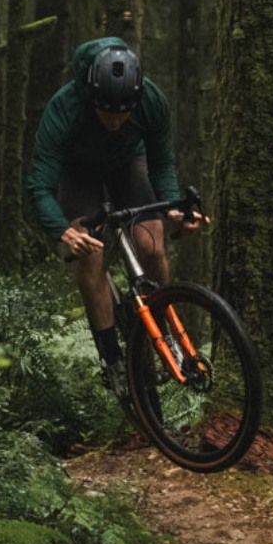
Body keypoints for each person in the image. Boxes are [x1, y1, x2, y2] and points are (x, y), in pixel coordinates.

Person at [26, 37, 199, 397]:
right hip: (79, 173)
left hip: (127, 165)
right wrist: (62, 231)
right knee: (92, 253)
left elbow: (162, 162)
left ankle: (166, 331)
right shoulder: (65, 108)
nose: (117, 122)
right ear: (91, 99)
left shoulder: (150, 100)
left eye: (125, 113)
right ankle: (111, 358)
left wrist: (171, 206)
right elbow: (39, 184)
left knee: (151, 244)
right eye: (108, 113)